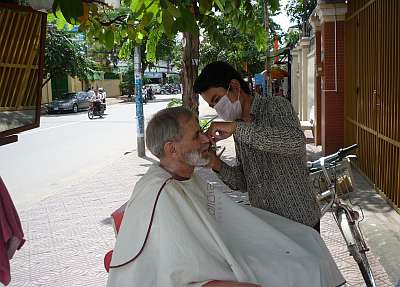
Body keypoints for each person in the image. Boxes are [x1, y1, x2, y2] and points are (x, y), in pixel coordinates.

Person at [107, 107, 345, 287]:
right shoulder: (161, 192)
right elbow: (183, 266)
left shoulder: (185, 177)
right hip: (217, 268)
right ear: (171, 149)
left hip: (229, 252)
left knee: (306, 240)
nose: (206, 139)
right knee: (302, 267)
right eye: (196, 135)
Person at [193, 61, 321, 231]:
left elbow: (295, 142)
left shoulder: (275, 106)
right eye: (212, 106)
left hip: (301, 221)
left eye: (217, 100)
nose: (217, 109)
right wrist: (215, 163)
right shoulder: (238, 129)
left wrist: (237, 129)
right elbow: (244, 183)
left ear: (234, 86)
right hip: (267, 225)